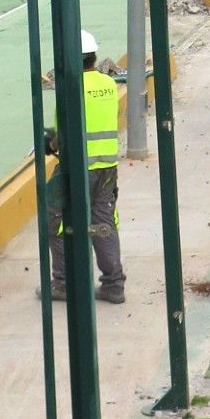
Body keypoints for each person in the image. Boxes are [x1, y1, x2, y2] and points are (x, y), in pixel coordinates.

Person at [45, 30, 125, 305]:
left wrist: (51, 142)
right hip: (106, 167)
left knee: (55, 221)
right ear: (93, 57)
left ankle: (63, 283)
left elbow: (60, 137)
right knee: (103, 223)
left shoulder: (70, 87)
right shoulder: (109, 84)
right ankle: (114, 285)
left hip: (76, 168)